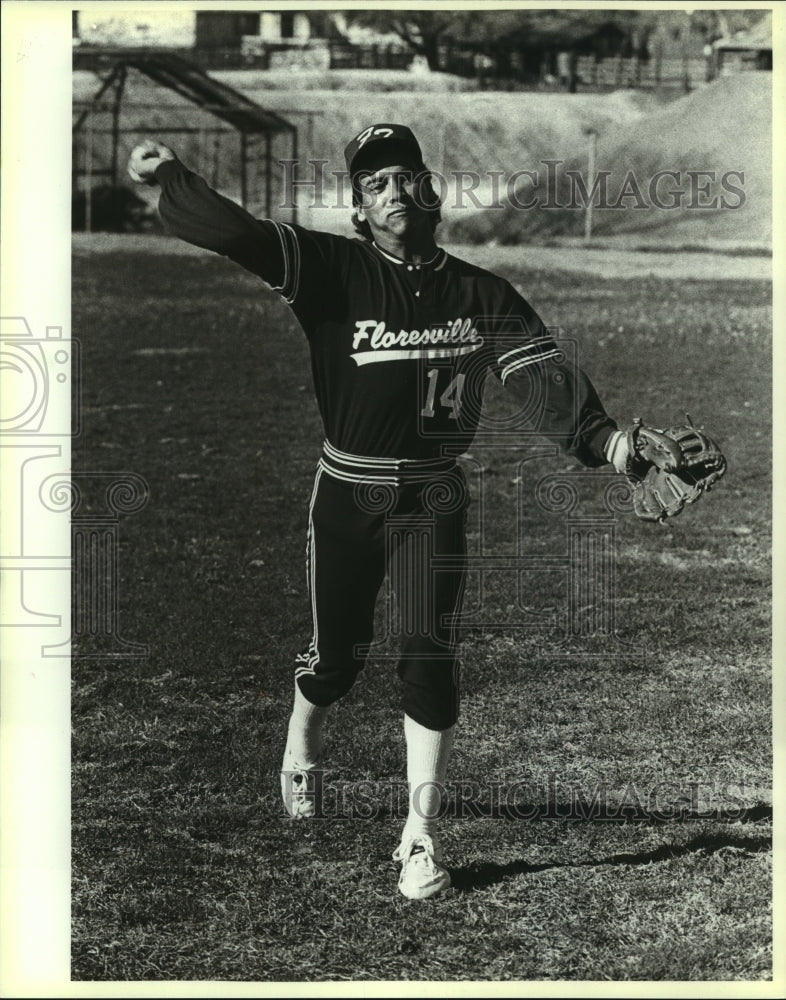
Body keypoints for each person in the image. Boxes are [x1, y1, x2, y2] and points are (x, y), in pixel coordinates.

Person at [128, 125, 632, 900]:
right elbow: (237, 234)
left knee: (428, 652)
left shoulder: (480, 292)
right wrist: (172, 178)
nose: (392, 191)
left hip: (433, 493)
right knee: (338, 658)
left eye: (405, 177)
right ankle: (302, 744)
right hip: (349, 490)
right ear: (358, 210)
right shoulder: (329, 268)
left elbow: (542, 381)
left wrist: (613, 448)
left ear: (431, 191)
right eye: (372, 184)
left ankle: (419, 836)